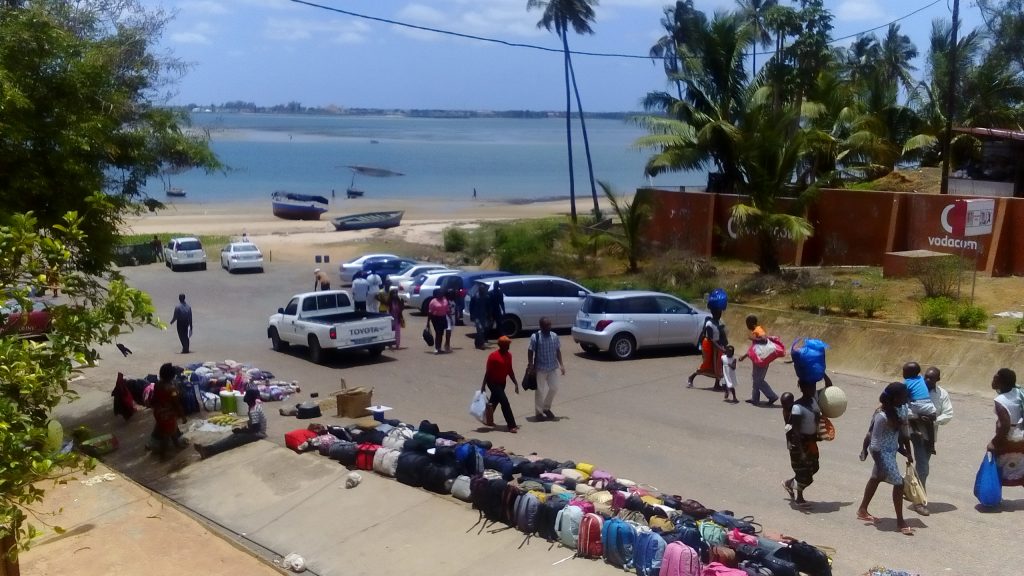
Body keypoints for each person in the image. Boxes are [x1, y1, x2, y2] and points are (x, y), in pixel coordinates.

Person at [856, 381, 915, 536]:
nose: (906, 397)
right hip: (881, 453)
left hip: (892, 451)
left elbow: (903, 433)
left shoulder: (901, 409)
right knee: (899, 483)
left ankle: (862, 510)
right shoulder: (881, 416)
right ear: (895, 398)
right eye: (903, 396)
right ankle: (900, 521)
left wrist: (907, 451)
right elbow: (873, 440)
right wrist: (876, 458)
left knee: (875, 478)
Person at [908, 366, 954, 516]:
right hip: (916, 432)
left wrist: (933, 421)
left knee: (923, 465)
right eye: (926, 377)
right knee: (923, 468)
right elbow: (905, 408)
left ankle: (907, 487)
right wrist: (919, 417)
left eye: (931, 378)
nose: (927, 380)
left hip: (931, 436)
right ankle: (919, 502)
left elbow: (948, 413)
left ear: (937, 379)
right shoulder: (915, 389)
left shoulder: (942, 394)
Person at [781, 379, 826, 507]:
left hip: (811, 442)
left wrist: (821, 373)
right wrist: (801, 452)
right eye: (809, 387)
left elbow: (830, 389)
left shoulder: (814, 399)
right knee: (803, 472)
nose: (812, 389)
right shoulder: (797, 407)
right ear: (802, 388)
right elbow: (795, 432)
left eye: (813, 386)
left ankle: (789, 483)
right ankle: (799, 498)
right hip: (799, 443)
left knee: (814, 467)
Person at [194, 388, 266, 459]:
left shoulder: (254, 411)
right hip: (256, 431)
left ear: (250, 398)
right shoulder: (255, 405)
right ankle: (208, 449)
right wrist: (243, 429)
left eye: (247, 396)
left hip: (258, 434)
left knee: (233, 440)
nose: (245, 398)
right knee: (233, 437)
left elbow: (256, 429)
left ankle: (208, 451)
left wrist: (241, 431)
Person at [988, 368, 1024, 490]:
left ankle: (993, 497)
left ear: (1002, 382)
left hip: (1009, 437)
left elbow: (1005, 425)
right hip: (1021, 435)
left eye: (995, 379)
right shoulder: (1018, 393)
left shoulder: (1000, 400)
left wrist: (994, 442)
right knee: (1021, 466)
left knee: (997, 468)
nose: (992, 381)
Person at [528, 316, 565, 421]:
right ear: (541, 326)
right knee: (540, 391)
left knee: (554, 388)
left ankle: (546, 408)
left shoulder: (554, 336)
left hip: (552, 367)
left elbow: (558, 351)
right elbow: (530, 351)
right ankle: (539, 413)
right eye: (547, 325)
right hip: (540, 368)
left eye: (550, 325)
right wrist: (531, 365)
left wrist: (561, 365)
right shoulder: (535, 337)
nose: (549, 327)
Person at [481, 336, 520, 433]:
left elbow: (509, 370)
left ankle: (487, 419)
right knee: (504, 402)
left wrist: (515, 382)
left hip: (502, 382)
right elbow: (488, 372)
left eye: (508, 345)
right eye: (506, 345)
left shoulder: (509, 355)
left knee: (494, 401)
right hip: (493, 382)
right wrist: (483, 385)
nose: (508, 347)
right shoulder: (493, 356)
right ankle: (511, 425)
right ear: (501, 345)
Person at [738, 314, 779, 406]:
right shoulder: (755, 331)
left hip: (762, 358)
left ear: (751, 323)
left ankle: (772, 396)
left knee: (758, 380)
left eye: (747, 323)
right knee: (755, 378)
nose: (746, 325)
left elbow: (764, 339)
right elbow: (754, 348)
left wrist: (753, 338)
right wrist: (745, 356)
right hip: (759, 358)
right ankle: (755, 398)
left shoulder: (758, 330)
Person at [149, 362, 187, 458]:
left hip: (158, 412)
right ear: (172, 376)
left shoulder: (157, 384)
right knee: (167, 434)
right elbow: (177, 403)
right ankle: (163, 454)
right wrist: (183, 416)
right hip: (167, 414)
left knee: (172, 430)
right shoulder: (171, 389)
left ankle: (177, 445)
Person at [687, 308, 728, 390]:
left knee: (718, 364)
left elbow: (722, 335)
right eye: (717, 313)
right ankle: (691, 377)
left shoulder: (719, 322)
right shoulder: (709, 324)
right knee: (706, 364)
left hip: (718, 344)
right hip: (709, 345)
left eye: (720, 313)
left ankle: (717, 384)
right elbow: (711, 339)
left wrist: (724, 345)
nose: (719, 314)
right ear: (713, 313)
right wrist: (720, 348)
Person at [903, 362, 937, 447]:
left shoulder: (906, 382)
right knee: (930, 423)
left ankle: (916, 429)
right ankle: (931, 444)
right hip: (928, 405)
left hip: (916, 405)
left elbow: (904, 396)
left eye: (904, 371)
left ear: (907, 374)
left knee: (906, 410)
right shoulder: (921, 378)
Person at [427, 288, 449, 355]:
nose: (441, 294)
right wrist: (428, 322)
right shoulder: (433, 301)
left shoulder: (445, 300)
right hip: (435, 318)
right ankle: (436, 348)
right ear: (437, 294)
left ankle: (439, 348)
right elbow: (430, 312)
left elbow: (447, 310)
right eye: (439, 293)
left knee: (441, 333)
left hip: (443, 318)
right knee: (438, 332)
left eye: (442, 293)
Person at [470, 282, 490, 349]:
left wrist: (489, 315)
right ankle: (481, 344)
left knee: (482, 330)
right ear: (479, 290)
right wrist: (471, 316)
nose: (483, 290)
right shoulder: (475, 297)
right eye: (481, 289)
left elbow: (489, 307)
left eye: (483, 289)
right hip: (477, 317)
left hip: (484, 316)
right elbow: (471, 307)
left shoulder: (486, 297)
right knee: (480, 330)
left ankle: (477, 343)